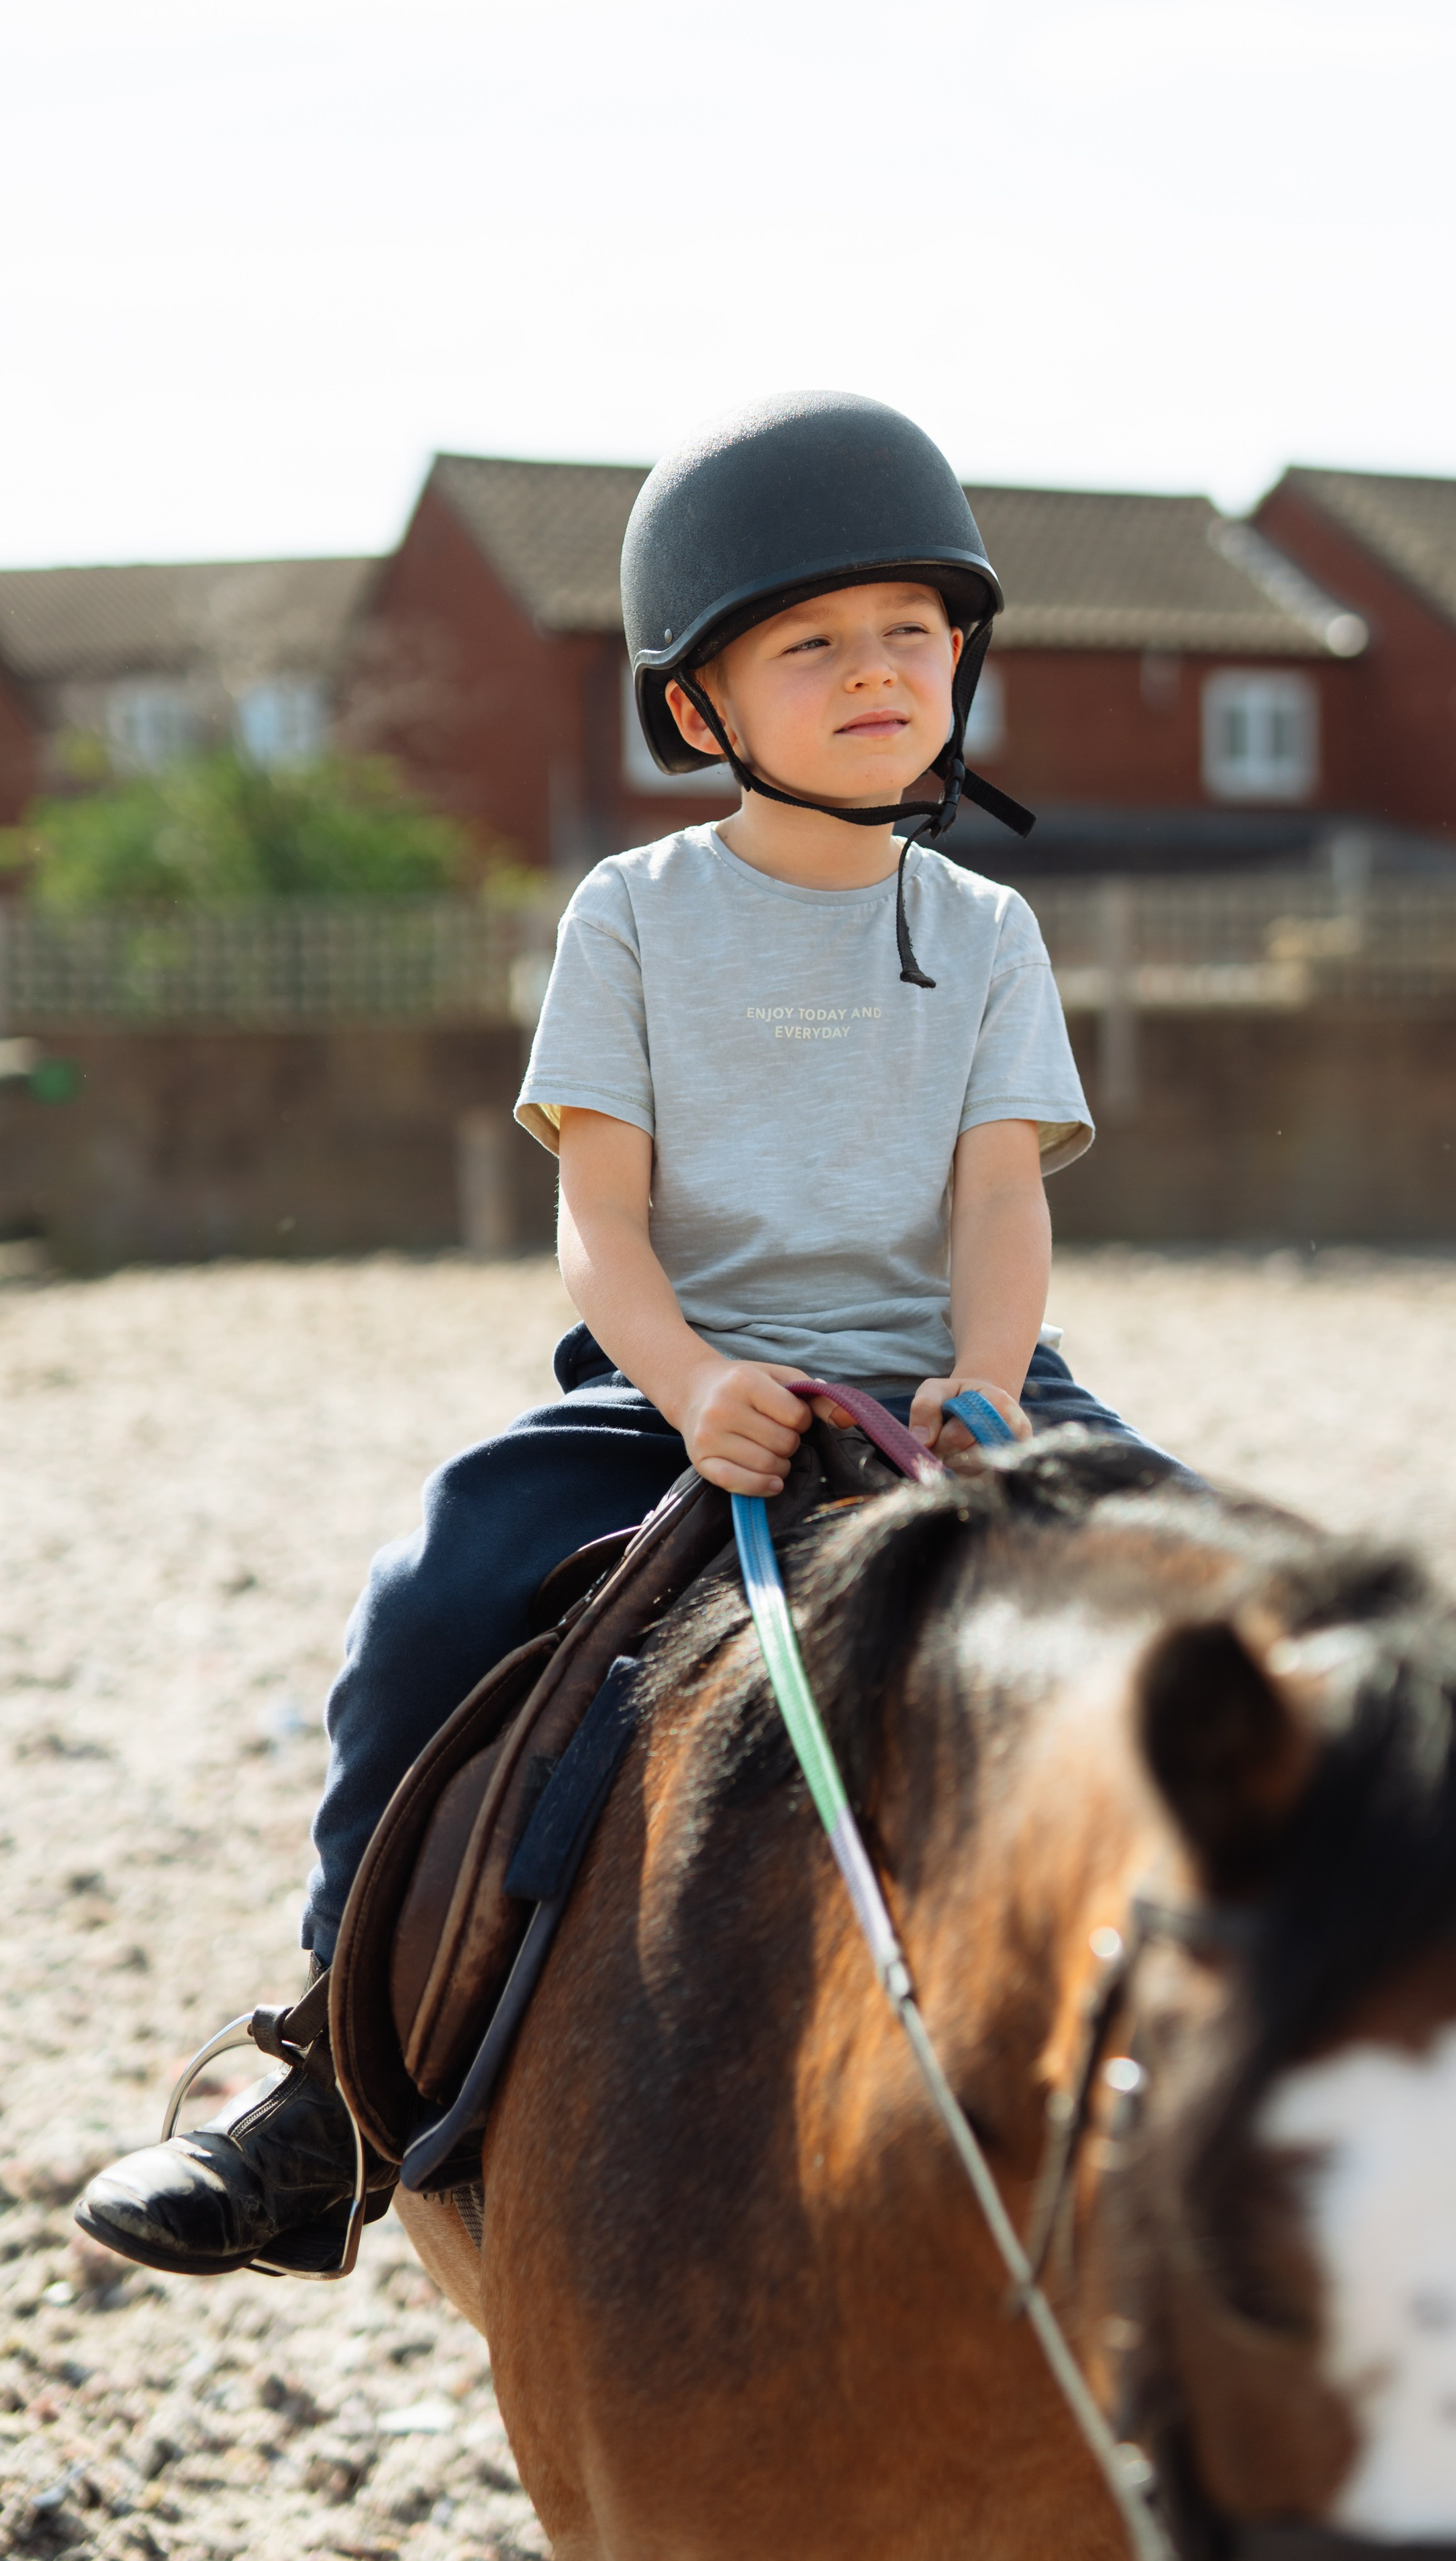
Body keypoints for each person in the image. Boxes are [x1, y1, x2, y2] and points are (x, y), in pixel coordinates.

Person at [75, 391, 1181, 2280]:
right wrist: (690, 1384)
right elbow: (599, 1216)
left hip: (960, 1376)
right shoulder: (635, 918)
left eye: (912, 634)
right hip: (681, 1379)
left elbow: (1004, 1201)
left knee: (1235, 1611)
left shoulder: (989, 929)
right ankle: (327, 2090)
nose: (878, 673)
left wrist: (987, 1387)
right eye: (814, 644)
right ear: (699, 706)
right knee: (429, 1599)